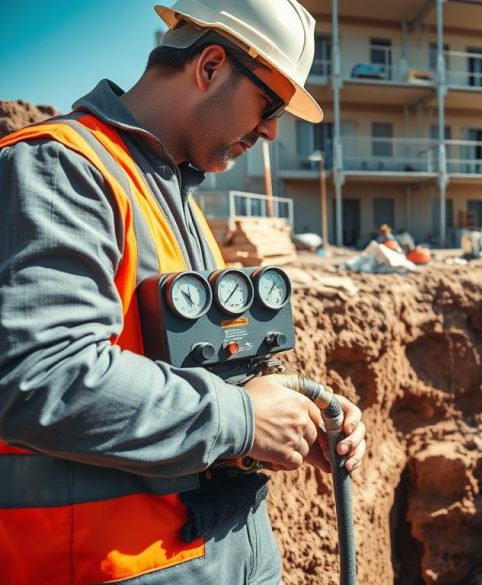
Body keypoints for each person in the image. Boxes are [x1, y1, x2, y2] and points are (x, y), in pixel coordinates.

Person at [0, 1, 366, 583]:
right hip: (119, 566)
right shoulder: (61, 169)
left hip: (228, 554)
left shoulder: (180, 206)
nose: (271, 131)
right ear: (211, 66)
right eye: (269, 106)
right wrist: (244, 418)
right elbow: (39, 373)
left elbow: (197, 376)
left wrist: (289, 415)